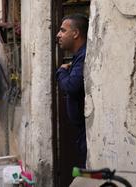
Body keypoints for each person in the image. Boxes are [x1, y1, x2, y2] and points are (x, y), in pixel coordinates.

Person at [56, 14, 88, 168]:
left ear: (75, 33)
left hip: (86, 132)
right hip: (82, 131)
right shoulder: (79, 57)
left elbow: (71, 87)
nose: (58, 34)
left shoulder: (83, 57)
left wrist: (61, 72)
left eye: (63, 30)